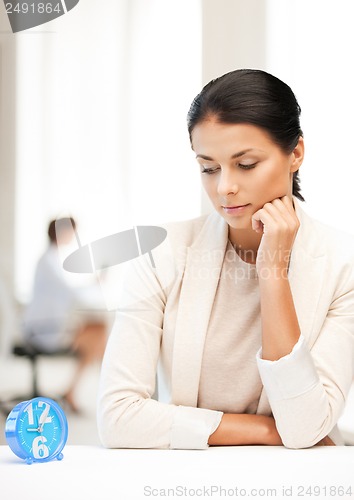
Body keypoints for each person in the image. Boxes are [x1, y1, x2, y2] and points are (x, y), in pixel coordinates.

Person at [97, 69, 354, 449]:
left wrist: (273, 273)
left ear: (295, 153)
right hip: (189, 479)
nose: (224, 187)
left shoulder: (342, 265)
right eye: (209, 168)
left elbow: (303, 426)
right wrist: (267, 432)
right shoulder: (163, 255)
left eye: (246, 164)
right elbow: (117, 417)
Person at [22, 217, 108, 412]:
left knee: (98, 331)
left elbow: (68, 293)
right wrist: (95, 283)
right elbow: (72, 293)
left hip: (49, 326)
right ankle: (99, 387)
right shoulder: (48, 261)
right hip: (44, 330)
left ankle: (78, 390)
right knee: (99, 332)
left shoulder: (51, 259)